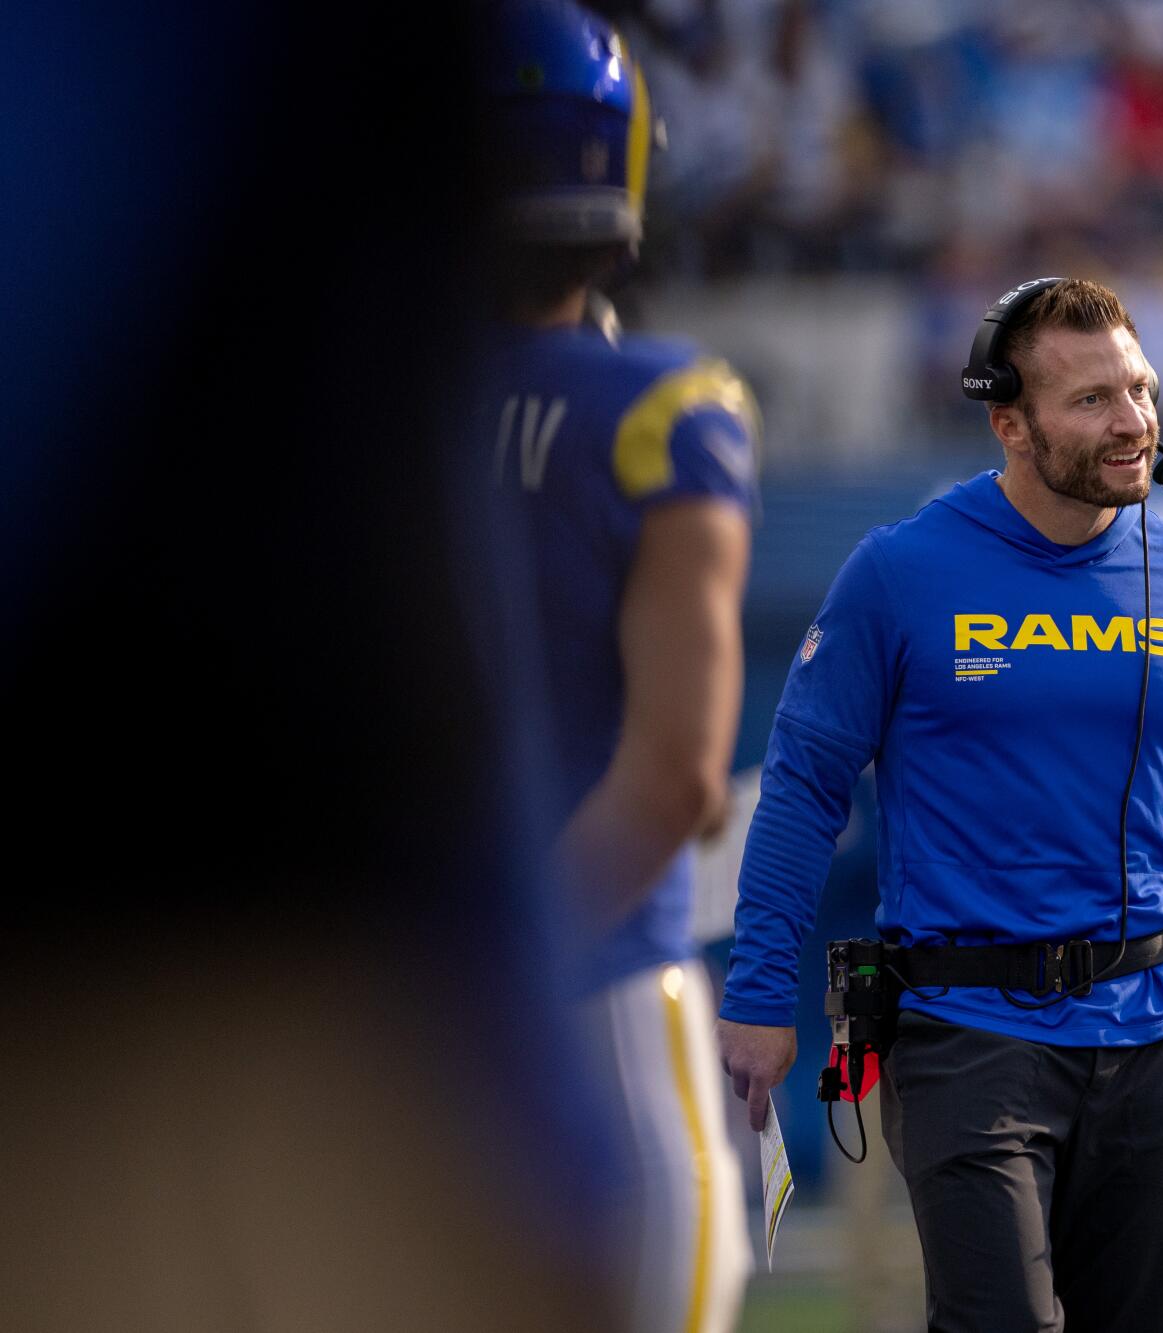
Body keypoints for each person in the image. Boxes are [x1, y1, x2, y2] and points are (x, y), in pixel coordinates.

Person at [717, 277, 1163, 1332]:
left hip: (1153, 1031)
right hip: (962, 1031)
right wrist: (759, 993)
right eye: (1089, 400)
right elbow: (802, 790)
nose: (1131, 421)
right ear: (1009, 422)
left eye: (1138, 389)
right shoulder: (899, 573)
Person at [472, 3, 759, 1330]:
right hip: (599, 1008)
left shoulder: (327, 417)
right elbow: (677, 779)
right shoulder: (660, 411)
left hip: (360, 1039)